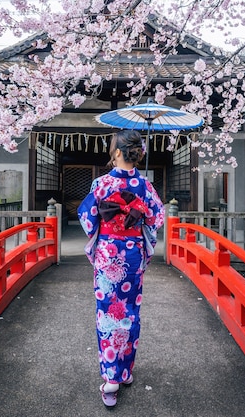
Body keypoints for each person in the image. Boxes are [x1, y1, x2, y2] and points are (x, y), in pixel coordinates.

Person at [77, 130, 165, 407]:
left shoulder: (101, 184)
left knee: (108, 314)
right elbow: (156, 217)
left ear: (117, 153)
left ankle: (111, 379)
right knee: (130, 312)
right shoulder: (145, 185)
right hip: (133, 256)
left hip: (108, 256)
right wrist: (136, 222)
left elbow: (87, 218)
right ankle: (125, 372)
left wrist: (107, 230)